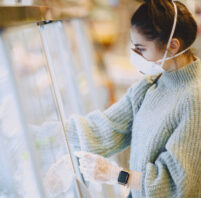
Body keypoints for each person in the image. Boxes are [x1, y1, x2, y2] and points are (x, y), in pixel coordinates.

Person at [44, 0, 201, 197]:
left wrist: (114, 174)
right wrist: (42, 135)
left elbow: (175, 186)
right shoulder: (151, 84)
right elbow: (105, 128)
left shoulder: (195, 100)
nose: (135, 55)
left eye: (141, 48)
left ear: (172, 46)